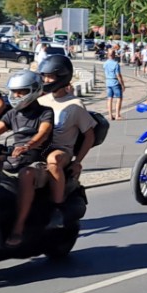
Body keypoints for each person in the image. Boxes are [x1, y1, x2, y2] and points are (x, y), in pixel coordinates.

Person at [0, 71, 53, 247]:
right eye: (13, 92)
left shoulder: (45, 112)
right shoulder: (12, 114)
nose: (16, 96)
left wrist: (28, 145)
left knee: (26, 174)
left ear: (34, 91)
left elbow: (43, 133)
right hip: (13, 157)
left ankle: (18, 227)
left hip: (37, 161)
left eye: (21, 91)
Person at [38, 55, 97, 229]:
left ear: (62, 77)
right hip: (39, 146)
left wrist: (78, 161)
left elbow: (89, 135)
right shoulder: (40, 100)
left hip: (62, 150)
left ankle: (57, 208)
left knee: (53, 161)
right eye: (44, 76)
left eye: (50, 76)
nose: (46, 80)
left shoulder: (75, 105)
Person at [103, 48, 125, 120]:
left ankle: (110, 115)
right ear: (114, 55)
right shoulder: (116, 64)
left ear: (108, 55)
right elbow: (118, 75)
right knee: (119, 98)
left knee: (109, 99)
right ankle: (117, 115)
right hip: (115, 82)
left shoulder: (105, 63)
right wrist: (122, 84)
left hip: (108, 82)